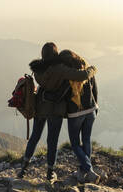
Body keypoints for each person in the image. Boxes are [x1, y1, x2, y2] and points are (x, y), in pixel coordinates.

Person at [18, 42, 97, 181]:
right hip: (56, 109)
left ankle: (23, 168)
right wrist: (93, 70)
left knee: (35, 136)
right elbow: (82, 75)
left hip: (40, 106)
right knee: (52, 141)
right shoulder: (60, 69)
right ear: (55, 54)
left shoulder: (37, 70)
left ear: (42, 55)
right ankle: (50, 172)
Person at [60, 50, 100, 184]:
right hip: (91, 110)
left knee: (75, 144)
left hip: (75, 113)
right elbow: (95, 89)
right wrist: (96, 105)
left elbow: (63, 95)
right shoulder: (86, 67)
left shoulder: (66, 75)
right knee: (86, 140)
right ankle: (84, 172)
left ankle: (89, 170)